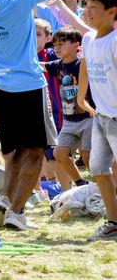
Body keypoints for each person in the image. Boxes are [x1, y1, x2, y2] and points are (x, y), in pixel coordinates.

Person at [0, 0, 97, 231]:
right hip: (27, 86)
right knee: (36, 151)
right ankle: (17, 212)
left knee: (15, 150)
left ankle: (5, 199)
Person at [76, 0, 117, 241]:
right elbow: (86, 66)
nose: (87, 12)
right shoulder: (89, 39)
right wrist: (81, 97)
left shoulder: (114, 41)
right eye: (86, 6)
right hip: (101, 117)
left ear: (112, 12)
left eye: (94, 8)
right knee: (98, 169)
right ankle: (113, 222)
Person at [42, 27, 92, 190]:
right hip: (69, 121)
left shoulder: (83, 65)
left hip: (88, 119)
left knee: (87, 155)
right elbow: (39, 65)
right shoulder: (58, 65)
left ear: (77, 45)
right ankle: (80, 183)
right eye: (55, 44)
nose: (57, 47)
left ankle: (102, 185)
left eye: (62, 43)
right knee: (59, 153)